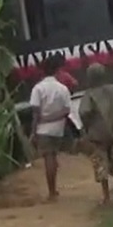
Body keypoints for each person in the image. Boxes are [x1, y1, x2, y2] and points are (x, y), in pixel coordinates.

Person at [78, 63, 113, 206]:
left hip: (98, 134)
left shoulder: (89, 94)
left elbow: (84, 112)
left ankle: (106, 196)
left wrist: (87, 126)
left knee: (101, 164)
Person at [29, 53, 73, 201]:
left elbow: (36, 114)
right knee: (53, 156)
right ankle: (54, 189)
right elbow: (66, 110)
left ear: (42, 71)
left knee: (49, 158)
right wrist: (54, 118)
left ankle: (52, 192)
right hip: (58, 128)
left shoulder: (38, 89)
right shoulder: (62, 88)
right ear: (56, 70)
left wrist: (33, 132)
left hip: (43, 129)